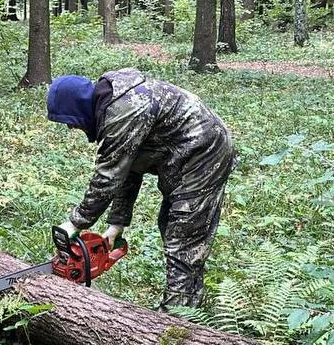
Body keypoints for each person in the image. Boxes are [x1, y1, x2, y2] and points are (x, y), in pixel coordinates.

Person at [46, 68, 237, 309]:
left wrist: (76, 223)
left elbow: (108, 176)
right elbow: (128, 169)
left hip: (205, 153)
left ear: (78, 108)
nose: (70, 128)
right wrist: (117, 223)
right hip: (183, 155)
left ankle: (176, 319)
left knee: (183, 237)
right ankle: (189, 306)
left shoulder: (122, 111)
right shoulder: (112, 103)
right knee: (172, 227)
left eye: (69, 121)